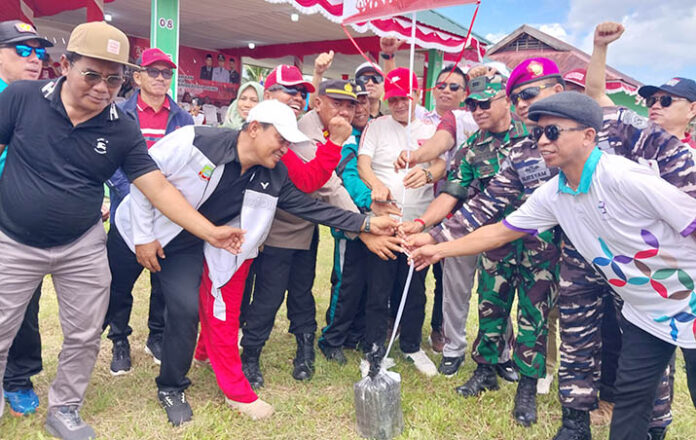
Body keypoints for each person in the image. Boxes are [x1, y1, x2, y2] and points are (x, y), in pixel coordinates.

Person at [405, 56, 690, 440]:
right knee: (612, 371)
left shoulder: (623, 166)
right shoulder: (551, 190)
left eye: (551, 131)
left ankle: (655, 424)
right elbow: (497, 223)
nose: (542, 140)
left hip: (682, 294)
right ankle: (578, 421)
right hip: (635, 298)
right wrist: (436, 245)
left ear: (587, 134)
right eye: (538, 131)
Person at [0, 21, 245, 440]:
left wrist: (210, 232)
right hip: (14, 240)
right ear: (65, 65)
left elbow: (156, 187)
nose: (102, 87)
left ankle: (66, 407)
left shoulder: (120, 127)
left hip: (82, 244)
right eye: (91, 74)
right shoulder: (22, 99)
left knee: (83, 332)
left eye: (113, 79)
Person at [113, 98, 396, 424]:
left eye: (289, 142)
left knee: (184, 309)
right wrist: (143, 236)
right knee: (110, 298)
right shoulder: (197, 140)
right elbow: (144, 176)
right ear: (253, 128)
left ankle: (171, 387)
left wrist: (365, 224)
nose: (285, 148)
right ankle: (112, 342)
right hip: (134, 227)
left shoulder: (273, 174)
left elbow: (310, 207)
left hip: (187, 244)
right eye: (281, 139)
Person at [241, 79, 365, 387]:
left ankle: (305, 348)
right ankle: (250, 355)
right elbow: (317, 183)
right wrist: (361, 225)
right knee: (268, 297)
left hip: (306, 226)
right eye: (337, 103)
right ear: (319, 103)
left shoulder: (330, 128)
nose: (345, 111)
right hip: (279, 229)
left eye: (351, 105)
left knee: (302, 292)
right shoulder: (300, 133)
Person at [103, 47, 195, 376]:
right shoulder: (119, 113)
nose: (160, 78)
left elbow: (187, 164)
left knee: (162, 283)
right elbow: (110, 162)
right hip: (127, 217)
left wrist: (163, 200)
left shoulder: (183, 119)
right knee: (119, 283)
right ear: (137, 76)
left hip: (167, 219)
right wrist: (138, 194)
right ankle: (119, 339)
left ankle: (156, 336)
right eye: (153, 72)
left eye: (166, 73)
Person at [357, 67, 444, 376]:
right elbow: (363, 164)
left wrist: (428, 172)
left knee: (414, 288)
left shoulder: (431, 127)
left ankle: (411, 345)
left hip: (419, 222)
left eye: (403, 99)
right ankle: (375, 348)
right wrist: (375, 186)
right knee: (379, 288)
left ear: (417, 96)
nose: (397, 105)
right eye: (392, 99)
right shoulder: (376, 126)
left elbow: (441, 164)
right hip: (385, 222)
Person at [319, 80, 402, 363]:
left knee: (374, 284)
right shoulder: (342, 134)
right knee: (347, 283)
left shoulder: (377, 129)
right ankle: (332, 339)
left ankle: (362, 337)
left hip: (381, 223)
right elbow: (346, 175)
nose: (358, 107)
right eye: (350, 103)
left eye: (360, 102)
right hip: (352, 222)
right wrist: (372, 201)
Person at [0, 19, 52, 418]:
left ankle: (18, 378)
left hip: (22, 220)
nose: (34, 60)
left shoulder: (45, 100)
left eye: (39, 52)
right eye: (23, 50)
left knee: (22, 303)